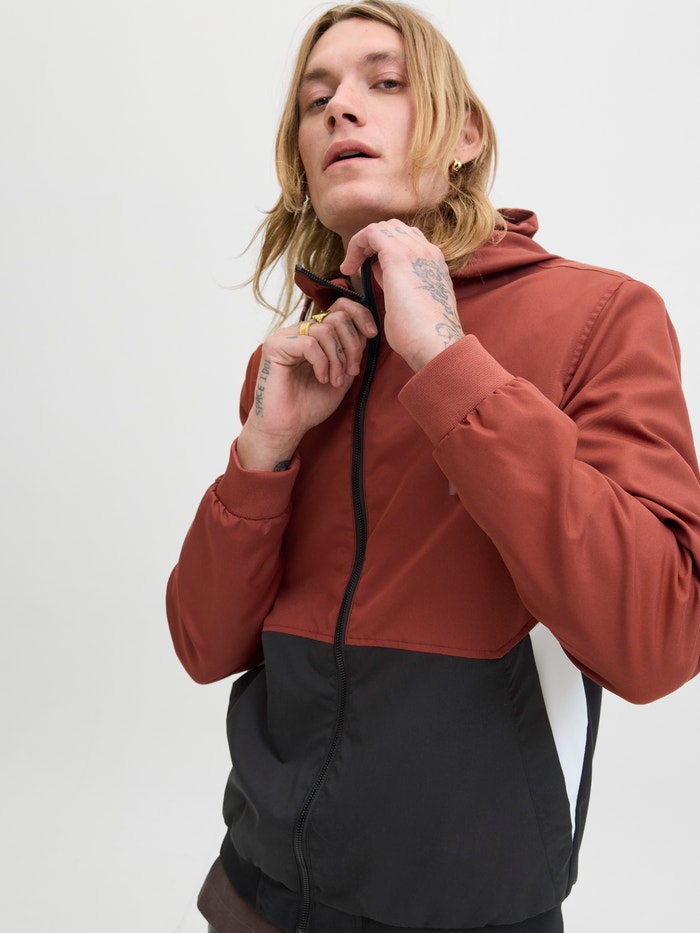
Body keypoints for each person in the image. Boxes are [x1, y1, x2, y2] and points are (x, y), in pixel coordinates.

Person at [166, 2, 700, 931]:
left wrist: (447, 359)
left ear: (465, 134)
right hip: (254, 891)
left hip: (469, 909)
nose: (341, 108)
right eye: (315, 100)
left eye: (385, 82)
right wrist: (263, 454)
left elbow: (655, 635)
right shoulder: (296, 363)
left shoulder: (602, 317)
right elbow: (205, 645)